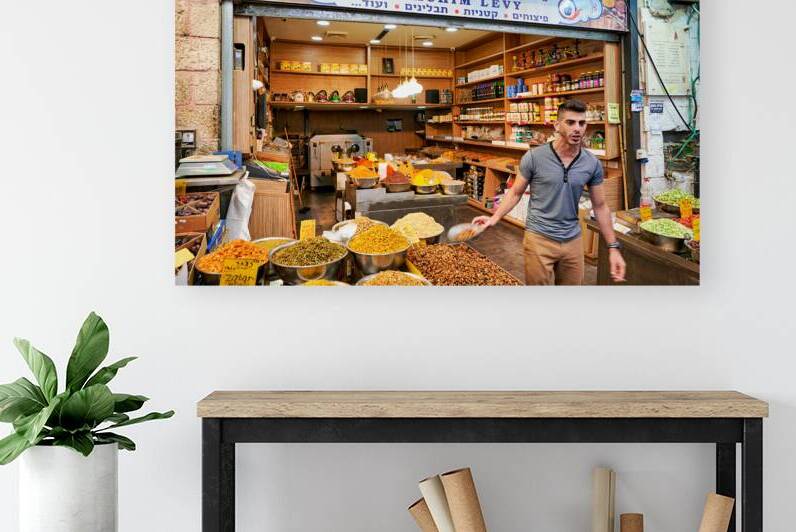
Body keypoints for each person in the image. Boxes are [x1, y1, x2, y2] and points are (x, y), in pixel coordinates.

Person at [473, 99, 626, 285]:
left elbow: (600, 206)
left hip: (572, 240)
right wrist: (493, 219)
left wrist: (613, 247)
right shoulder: (534, 157)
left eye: (582, 123)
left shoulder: (591, 163)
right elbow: (515, 193)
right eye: (570, 122)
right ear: (557, 125)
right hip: (539, 238)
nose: (577, 128)